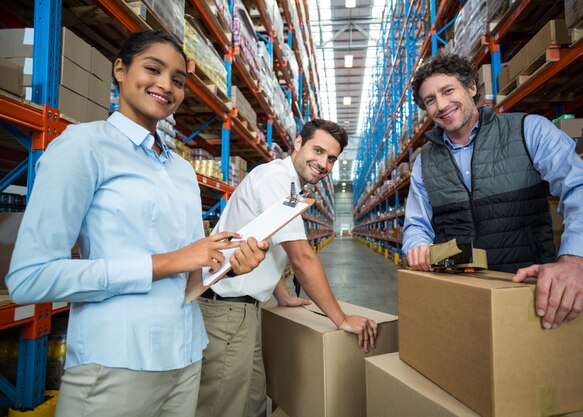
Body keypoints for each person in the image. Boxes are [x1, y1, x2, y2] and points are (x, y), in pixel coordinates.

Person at [6, 30, 268, 417]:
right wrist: (170, 261)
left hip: (186, 355)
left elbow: (190, 275)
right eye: (153, 69)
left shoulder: (180, 170)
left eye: (178, 81)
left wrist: (228, 268)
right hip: (116, 363)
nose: (166, 85)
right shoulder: (83, 146)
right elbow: (30, 278)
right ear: (120, 69)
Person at [402, 53, 583, 331]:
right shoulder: (425, 161)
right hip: (459, 290)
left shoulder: (528, 129)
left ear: (472, 88)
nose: (441, 105)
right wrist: (417, 246)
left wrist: (577, 260)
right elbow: (416, 224)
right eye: (430, 100)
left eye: (448, 91)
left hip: (526, 291)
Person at [195, 119, 379, 417]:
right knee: (222, 406)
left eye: (331, 158)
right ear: (297, 143)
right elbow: (301, 258)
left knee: (254, 402)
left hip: (244, 310)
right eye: (317, 151)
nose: (323, 163)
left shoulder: (291, 186)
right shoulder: (276, 180)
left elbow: (266, 243)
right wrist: (341, 319)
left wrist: (282, 294)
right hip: (227, 311)